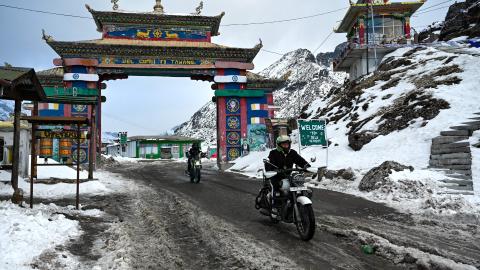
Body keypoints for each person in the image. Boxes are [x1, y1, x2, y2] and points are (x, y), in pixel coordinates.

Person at [265, 135, 310, 214]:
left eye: (287, 144)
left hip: (288, 176)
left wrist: (306, 166)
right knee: (276, 188)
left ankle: (295, 202)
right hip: (276, 176)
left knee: (298, 186)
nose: (286, 146)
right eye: (283, 144)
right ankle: (274, 206)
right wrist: (272, 170)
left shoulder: (292, 153)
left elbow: (299, 160)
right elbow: (269, 164)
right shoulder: (273, 153)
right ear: (279, 145)